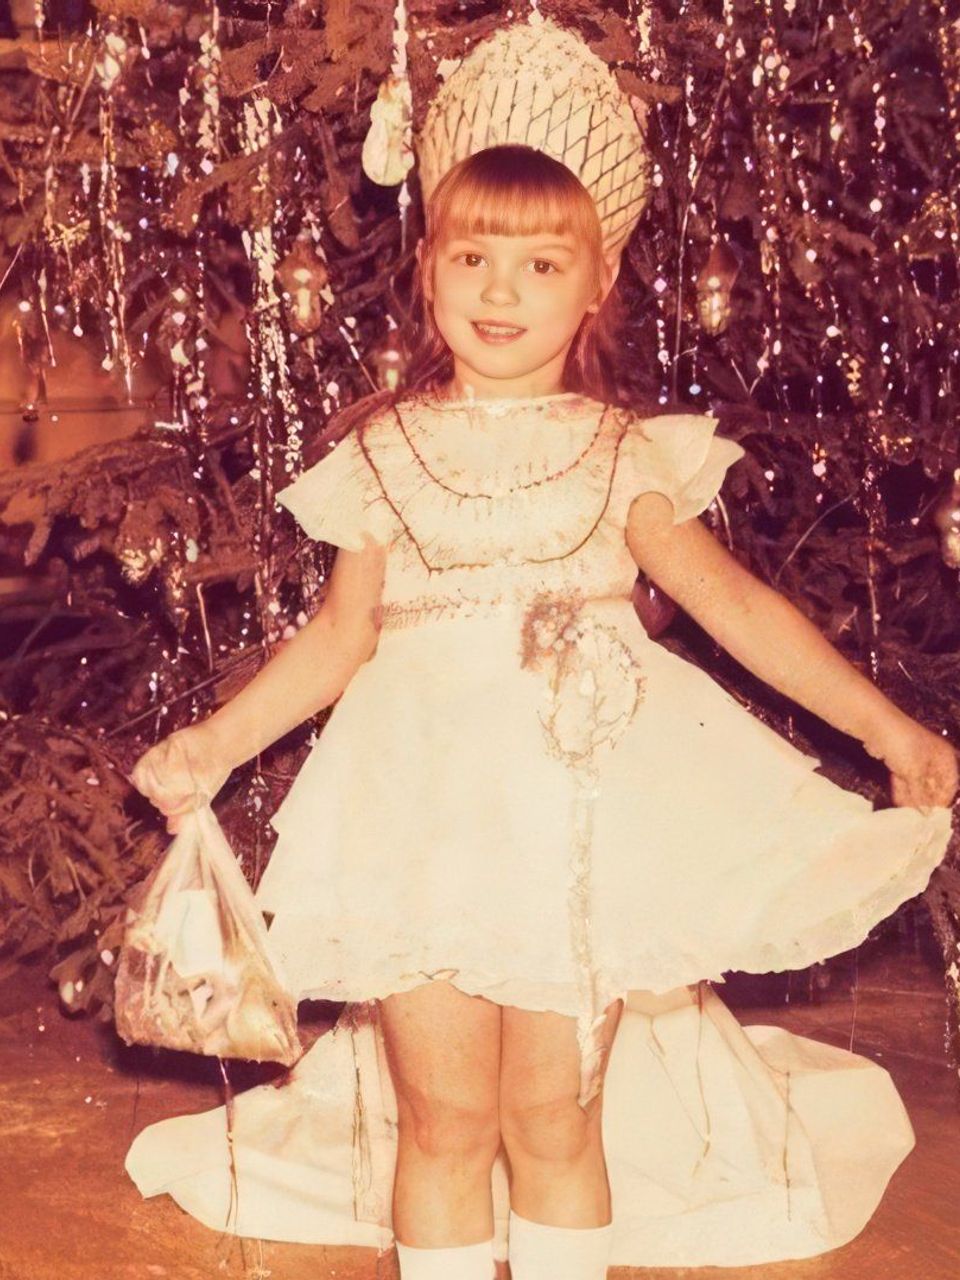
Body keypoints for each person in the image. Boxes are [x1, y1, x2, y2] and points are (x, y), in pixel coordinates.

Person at [128, 144, 956, 1280]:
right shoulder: (382, 455)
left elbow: (734, 607)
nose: (501, 290)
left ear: (597, 283)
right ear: (429, 270)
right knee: (445, 1122)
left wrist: (884, 728)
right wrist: (214, 744)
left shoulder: (622, 453)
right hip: (421, 820)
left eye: (541, 264)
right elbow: (337, 638)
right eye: (473, 257)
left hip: (575, 826)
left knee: (554, 1120)